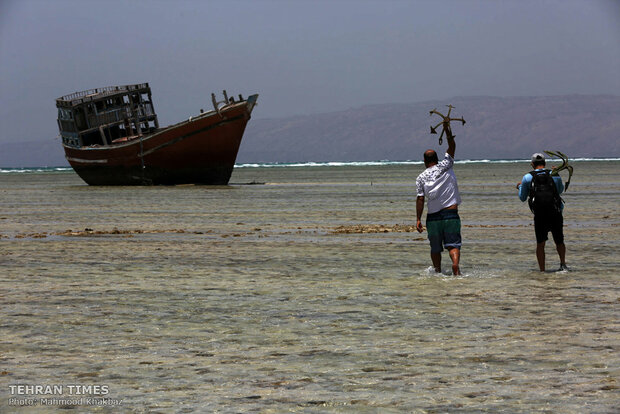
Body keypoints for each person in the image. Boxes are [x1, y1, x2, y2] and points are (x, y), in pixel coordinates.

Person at [416, 124, 462, 275]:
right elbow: (452, 145)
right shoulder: (446, 165)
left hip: (433, 218)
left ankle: (437, 272)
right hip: (450, 214)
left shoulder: (421, 177)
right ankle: (455, 265)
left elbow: (420, 199)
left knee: (435, 248)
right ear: (437, 158)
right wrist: (448, 129)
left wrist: (418, 219)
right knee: (453, 245)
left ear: (424, 160)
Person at [517, 153, 568, 272]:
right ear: (545, 163)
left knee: (540, 243)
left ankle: (542, 271)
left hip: (540, 215)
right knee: (559, 241)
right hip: (555, 213)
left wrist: (520, 187)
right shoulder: (554, 174)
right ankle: (562, 265)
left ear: (532, 164)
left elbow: (522, 198)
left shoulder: (527, 177)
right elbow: (560, 191)